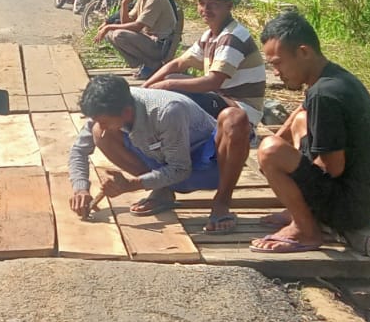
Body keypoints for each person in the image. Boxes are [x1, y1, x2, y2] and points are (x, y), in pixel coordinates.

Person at [252, 10, 370, 253]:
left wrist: (278, 166)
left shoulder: (324, 95)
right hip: (367, 197)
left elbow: (333, 168)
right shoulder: (332, 77)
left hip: (352, 208)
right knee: (294, 126)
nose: (276, 72)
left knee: (270, 151)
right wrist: (281, 150)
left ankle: (305, 230)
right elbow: (300, 112)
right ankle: (300, 211)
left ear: (303, 52)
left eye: (278, 63)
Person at [141, 0, 261, 232]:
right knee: (164, 93)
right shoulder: (210, 35)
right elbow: (176, 64)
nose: (205, 10)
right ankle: (164, 183)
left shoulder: (233, 36)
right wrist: (147, 87)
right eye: (201, 3)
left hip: (238, 108)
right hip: (219, 101)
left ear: (228, 6)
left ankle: (218, 201)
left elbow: (214, 80)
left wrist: (167, 86)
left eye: (213, 5)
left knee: (171, 92)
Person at [67, 74, 242, 219]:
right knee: (99, 134)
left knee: (234, 119)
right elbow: (78, 150)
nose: (101, 125)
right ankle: (161, 190)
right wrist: (80, 188)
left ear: (126, 112)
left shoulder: (166, 111)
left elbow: (181, 169)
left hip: (207, 168)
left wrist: (132, 184)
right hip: (167, 162)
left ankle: (222, 203)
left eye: (104, 121)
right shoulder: (108, 106)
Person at [95, 0, 178, 76]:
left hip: (160, 46)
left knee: (118, 34)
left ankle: (153, 65)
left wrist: (108, 26)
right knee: (111, 34)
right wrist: (124, 3)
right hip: (150, 42)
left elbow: (137, 26)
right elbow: (127, 22)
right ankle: (146, 64)